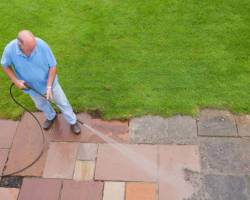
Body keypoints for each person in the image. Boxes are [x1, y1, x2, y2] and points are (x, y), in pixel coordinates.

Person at [1, 30, 81, 134]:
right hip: (31, 87)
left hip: (50, 83)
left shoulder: (41, 45)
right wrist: (15, 81)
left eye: (34, 46)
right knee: (41, 105)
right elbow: (4, 65)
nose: (34, 49)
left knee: (62, 102)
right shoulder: (9, 50)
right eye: (30, 49)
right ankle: (51, 116)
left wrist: (48, 87)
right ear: (20, 45)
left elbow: (53, 66)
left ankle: (73, 121)